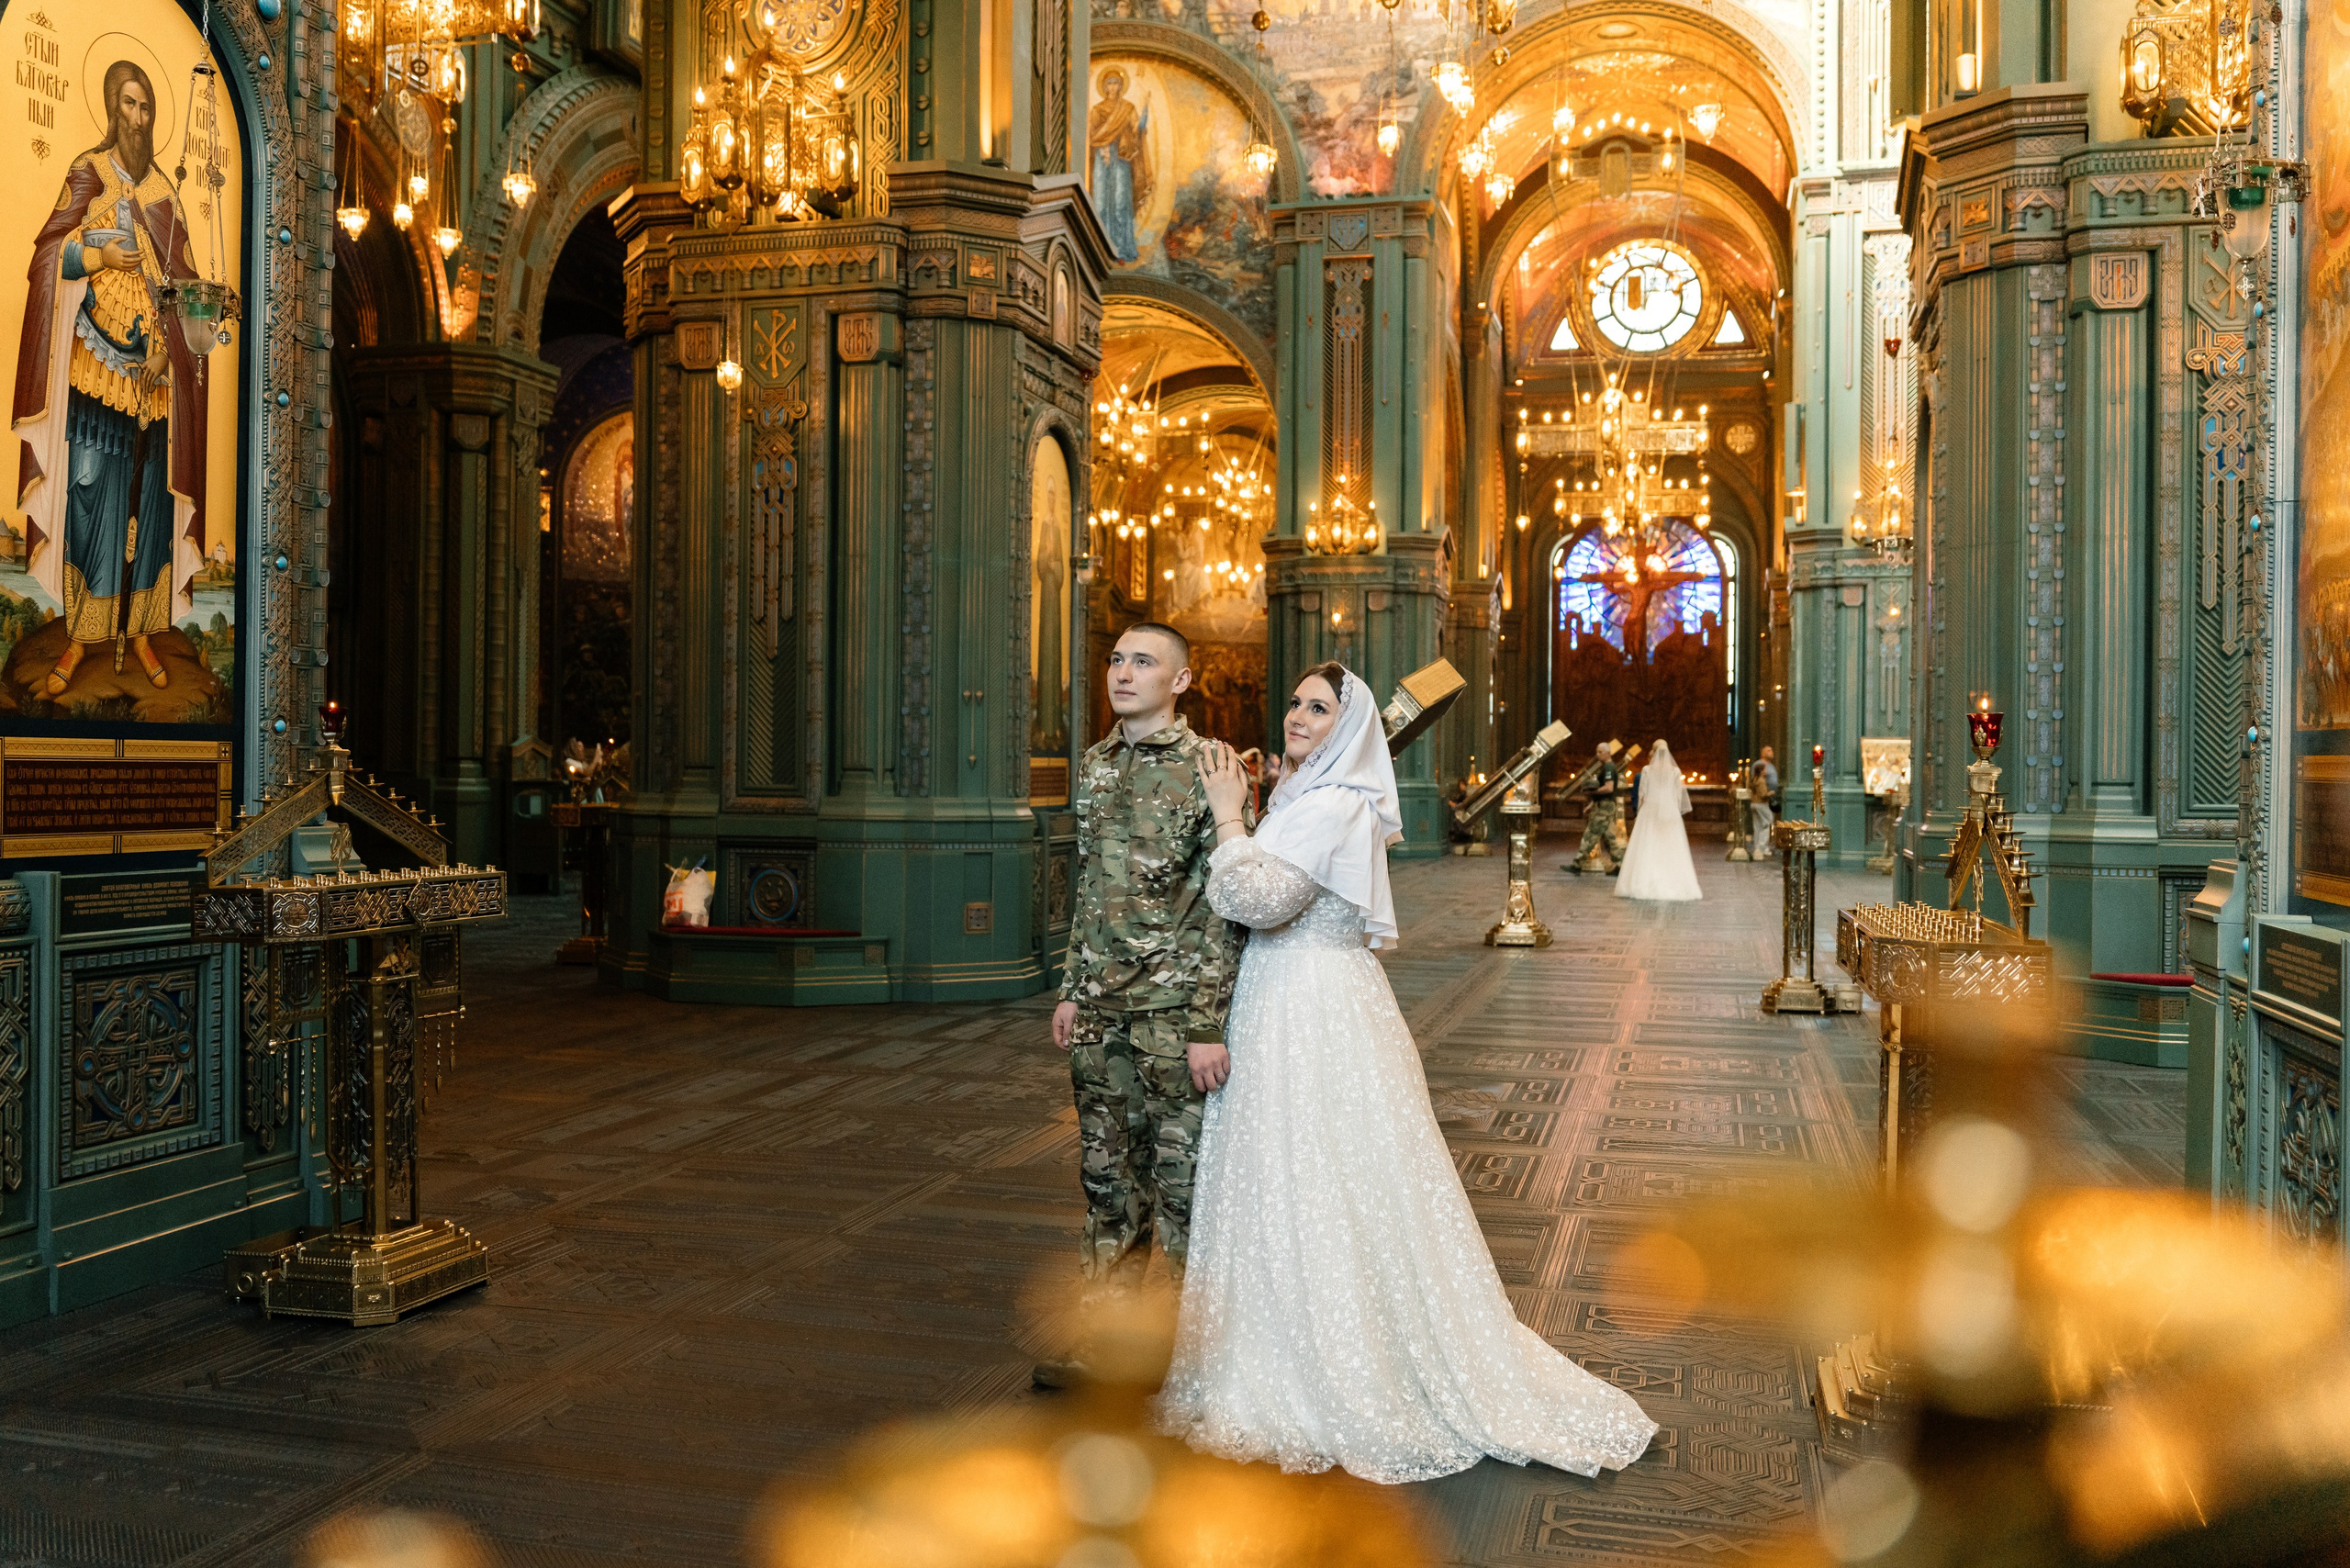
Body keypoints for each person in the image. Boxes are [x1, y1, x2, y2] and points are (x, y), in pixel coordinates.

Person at [1163, 662, 1657, 1483]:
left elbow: (1258, 903)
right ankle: (1283, 1346)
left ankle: (1341, 1366)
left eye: (1319, 709)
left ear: (1349, 729)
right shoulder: (1306, 798)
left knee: (1317, 1173)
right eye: (1295, 703)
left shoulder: (1333, 805)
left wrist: (1226, 818)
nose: (1297, 716)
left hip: (1311, 1005)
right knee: (1285, 1172)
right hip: (1286, 997)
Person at [1040, 622, 1242, 1387]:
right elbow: (1090, 888)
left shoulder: (1210, 767)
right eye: (1117, 660)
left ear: (1180, 681)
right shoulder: (1095, 765)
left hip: (1171, 1015)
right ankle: (1105, 1344)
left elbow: (1225, 907)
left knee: (1186, 1193)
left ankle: (1195, 1362)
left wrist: (1206, 1024)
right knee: (1107, 1187)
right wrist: (1071, 987)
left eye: (1144, 662)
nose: (1123, 673)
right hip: (1099, 1013)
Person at [16, 59, 212, 695]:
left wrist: (170, 354)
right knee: (90, 488)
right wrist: (97, 253)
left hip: (152, 378)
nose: (139, 117)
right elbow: (49, 254)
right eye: (129, 104)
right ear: (111, 108)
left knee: (149, 502)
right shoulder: (88, 172)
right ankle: (81, 636)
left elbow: (186, 288)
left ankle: (142, 631)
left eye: (146, 106)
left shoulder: (164, 194)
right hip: (94, 367)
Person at [1616, 738, 1703, 902]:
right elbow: (1678, 795)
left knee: (1648, 844)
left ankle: (1644, 882)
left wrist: (1640, 812)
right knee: (1670, 845)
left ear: (1654, 752)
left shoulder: (1647, 770)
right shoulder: (1675, 771)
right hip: (1670, 811)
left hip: (1650, 811)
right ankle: (1674, 882)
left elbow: (1642, 794)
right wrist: (1674, 811)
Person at [1569, 742, 1627, 874]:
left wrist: (1592, 792)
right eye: (1597, 752)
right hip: (1605, 804)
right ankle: (1620, 866)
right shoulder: (1607, 767)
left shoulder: (1609, 768)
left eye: (1600, 752)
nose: (1598, 754)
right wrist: (1591, 804)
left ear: (1608, 753)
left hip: (1604, 807)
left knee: (1591, 834)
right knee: (1610, 837)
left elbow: (1609, 788)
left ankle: (1577, 864)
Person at [1751, 746, 1781, 857]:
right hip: (1762, 802)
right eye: (1769, 750)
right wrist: (1769, 792)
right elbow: (1762, 792)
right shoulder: (1759, 769)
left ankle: (1758, 848)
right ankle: (1761, 847)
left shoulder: (1771, 766)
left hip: (1761, 802)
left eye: (1772, 750)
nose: (1772, 752)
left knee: (1759, 825)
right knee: (1767, 823)